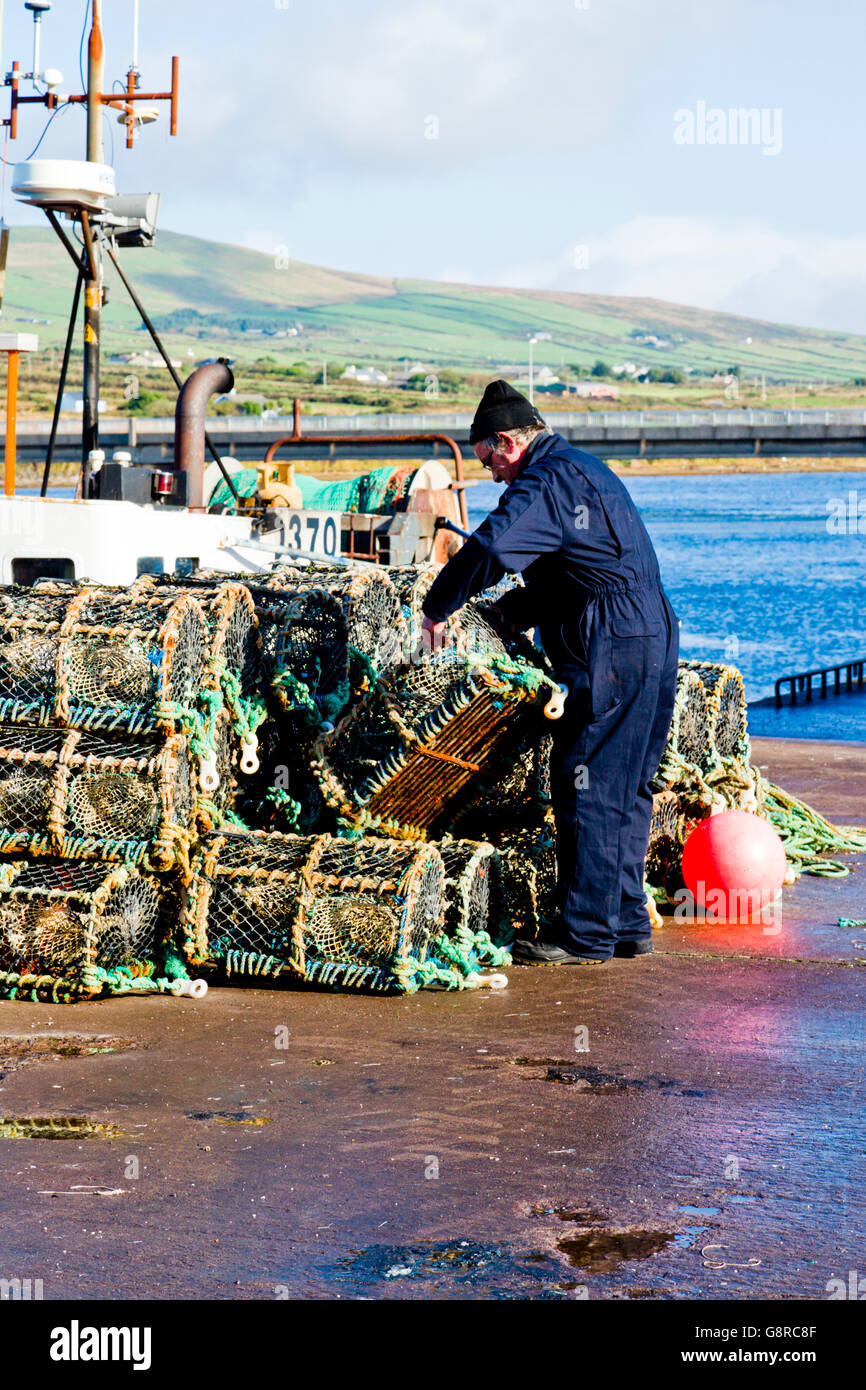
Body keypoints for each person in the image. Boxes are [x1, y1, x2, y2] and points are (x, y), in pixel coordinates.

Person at [420, 379, 679, 965]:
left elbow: (490, 550)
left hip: (610, 641)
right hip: (653, 633)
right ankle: (627, 924)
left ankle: (585, 936)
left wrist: (438, 608)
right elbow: (567, 573)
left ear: (507, 443)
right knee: (628, 783)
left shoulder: (545, 481)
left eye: (488, 461)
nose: (491, 476)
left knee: (583, 778)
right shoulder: (585, 469)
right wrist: (507, 614)